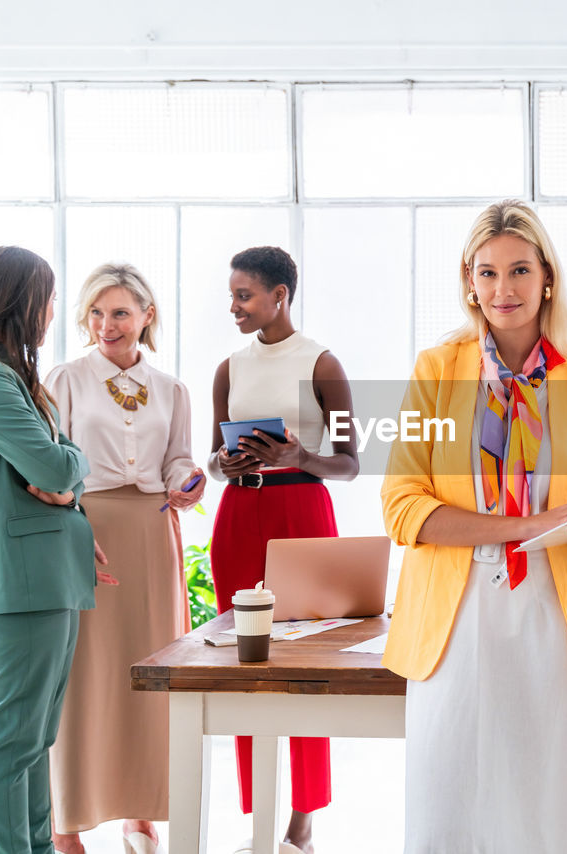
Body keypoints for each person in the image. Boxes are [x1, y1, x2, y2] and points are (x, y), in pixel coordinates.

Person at [381, 199, 567, 853]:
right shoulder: (437, 370)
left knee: (553, 809)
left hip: (556, 617)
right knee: (453, 805)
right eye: (487, 272)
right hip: (459, 613)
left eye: (520, 270)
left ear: (547, 278)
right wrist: (524, 525)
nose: (503, 289)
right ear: (469, 281)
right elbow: (402, 507)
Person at [0, 246, 115, 854]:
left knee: (34, 739)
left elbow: (56, 477)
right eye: (50, 297)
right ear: (21, 300)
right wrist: (75, 468)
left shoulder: (8, 375)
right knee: (14, 740)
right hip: (19, 583)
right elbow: (55, 467)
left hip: (42, 579)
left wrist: (67, 483)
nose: (55, 311)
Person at [44, 263, 204, 854]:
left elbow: (178, 461)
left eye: (119, 313)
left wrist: (189, 479)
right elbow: (48, 464)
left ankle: (142, 812)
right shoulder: (64, 380)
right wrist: (69, 527)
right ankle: (68, 821)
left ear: (146, 316)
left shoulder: (173, 389)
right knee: (83, 673)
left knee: (151, 669)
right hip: (83, 528)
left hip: (151, 532)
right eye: (95, 312)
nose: (105, 325)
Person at [206, 245, 360, 854]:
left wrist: (300, 457)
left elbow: (349, 464)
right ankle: (259, 813)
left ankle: (302, 820)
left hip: (301, 514)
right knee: (246, 663)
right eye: (232, 296)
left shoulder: (322, 364)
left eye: (244, 295)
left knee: (303, 665)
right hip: (240, 515)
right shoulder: (228, 368)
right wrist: (225, 462)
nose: (235, 307)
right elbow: (214, 462)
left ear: (280, 296)